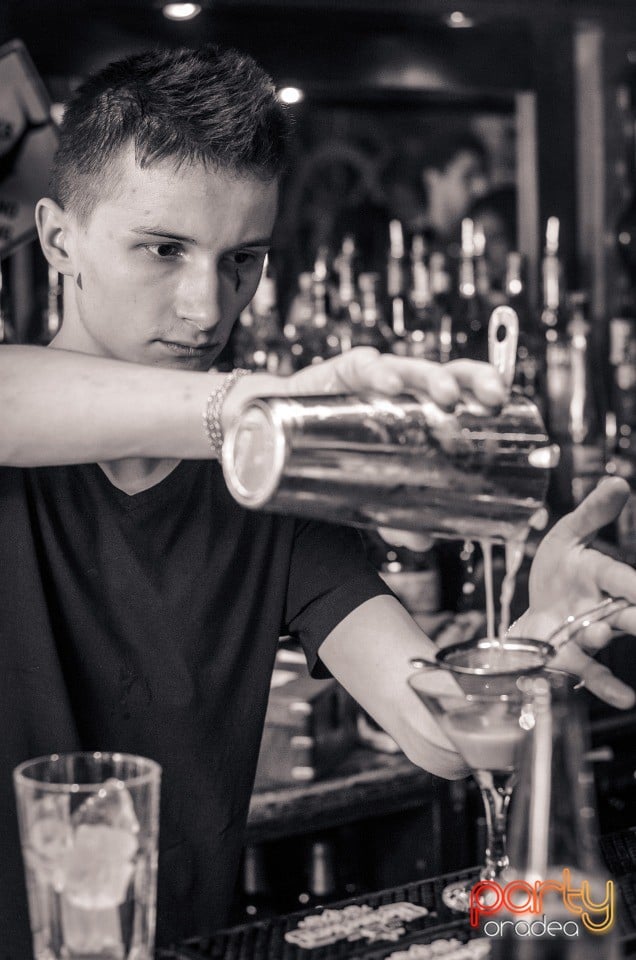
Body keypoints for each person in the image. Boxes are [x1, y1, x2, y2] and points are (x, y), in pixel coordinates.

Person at [0, 45, 635, 956]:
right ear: (60, 240)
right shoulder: (233, 427)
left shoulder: (270, 480)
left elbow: (433, 732)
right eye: (163, 248)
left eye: (242, 259)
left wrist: (542, 640)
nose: (205, 305)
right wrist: (263, 405)